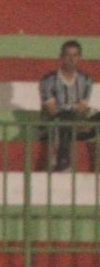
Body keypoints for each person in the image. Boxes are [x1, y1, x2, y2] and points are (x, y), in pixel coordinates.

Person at [39, 39, 98, 172]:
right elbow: (52, 109)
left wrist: (75, 116)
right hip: (52, 121)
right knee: (65, 119)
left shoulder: (86, 79)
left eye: (75, 55)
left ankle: (96, 170)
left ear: (80, 58)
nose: (71, 59)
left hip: (77, 118)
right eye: (68, 55)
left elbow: (82, 107)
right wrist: (71, 114)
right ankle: (62, 165)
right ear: (61, 57)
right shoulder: (49, 80)